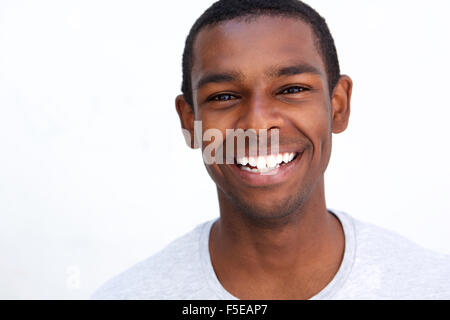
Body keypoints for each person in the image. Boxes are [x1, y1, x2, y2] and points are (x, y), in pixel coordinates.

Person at [92, 0, 450, 300]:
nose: (258, 124)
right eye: (224, 97)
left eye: (292, 89)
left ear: (337, 106)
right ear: (190, 123)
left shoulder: (433, 286)